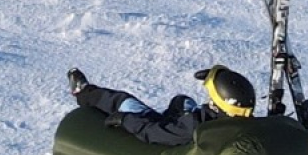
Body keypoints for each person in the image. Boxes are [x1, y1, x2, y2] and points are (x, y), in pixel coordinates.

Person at [67, 64, 256, 146]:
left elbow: (153, 132)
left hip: (158, 130)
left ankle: (83, 92)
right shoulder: (240, 124)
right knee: (181, 100)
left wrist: (125, 120)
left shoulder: (195, 128)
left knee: (125, 102)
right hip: (179, 122)